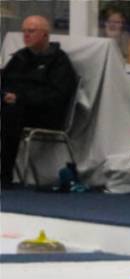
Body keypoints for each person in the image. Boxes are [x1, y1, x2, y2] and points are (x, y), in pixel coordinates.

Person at [0, 15, 78, 187]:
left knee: (10, 113)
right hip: (12, 108)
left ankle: (4, 175)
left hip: (44, 114)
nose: (26, 35)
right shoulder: (19, 58)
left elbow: (57, 96)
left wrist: (20, 99)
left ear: (45, 35)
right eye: (24, 31)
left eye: (31, 31)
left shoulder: (59, 61)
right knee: (8, 110)